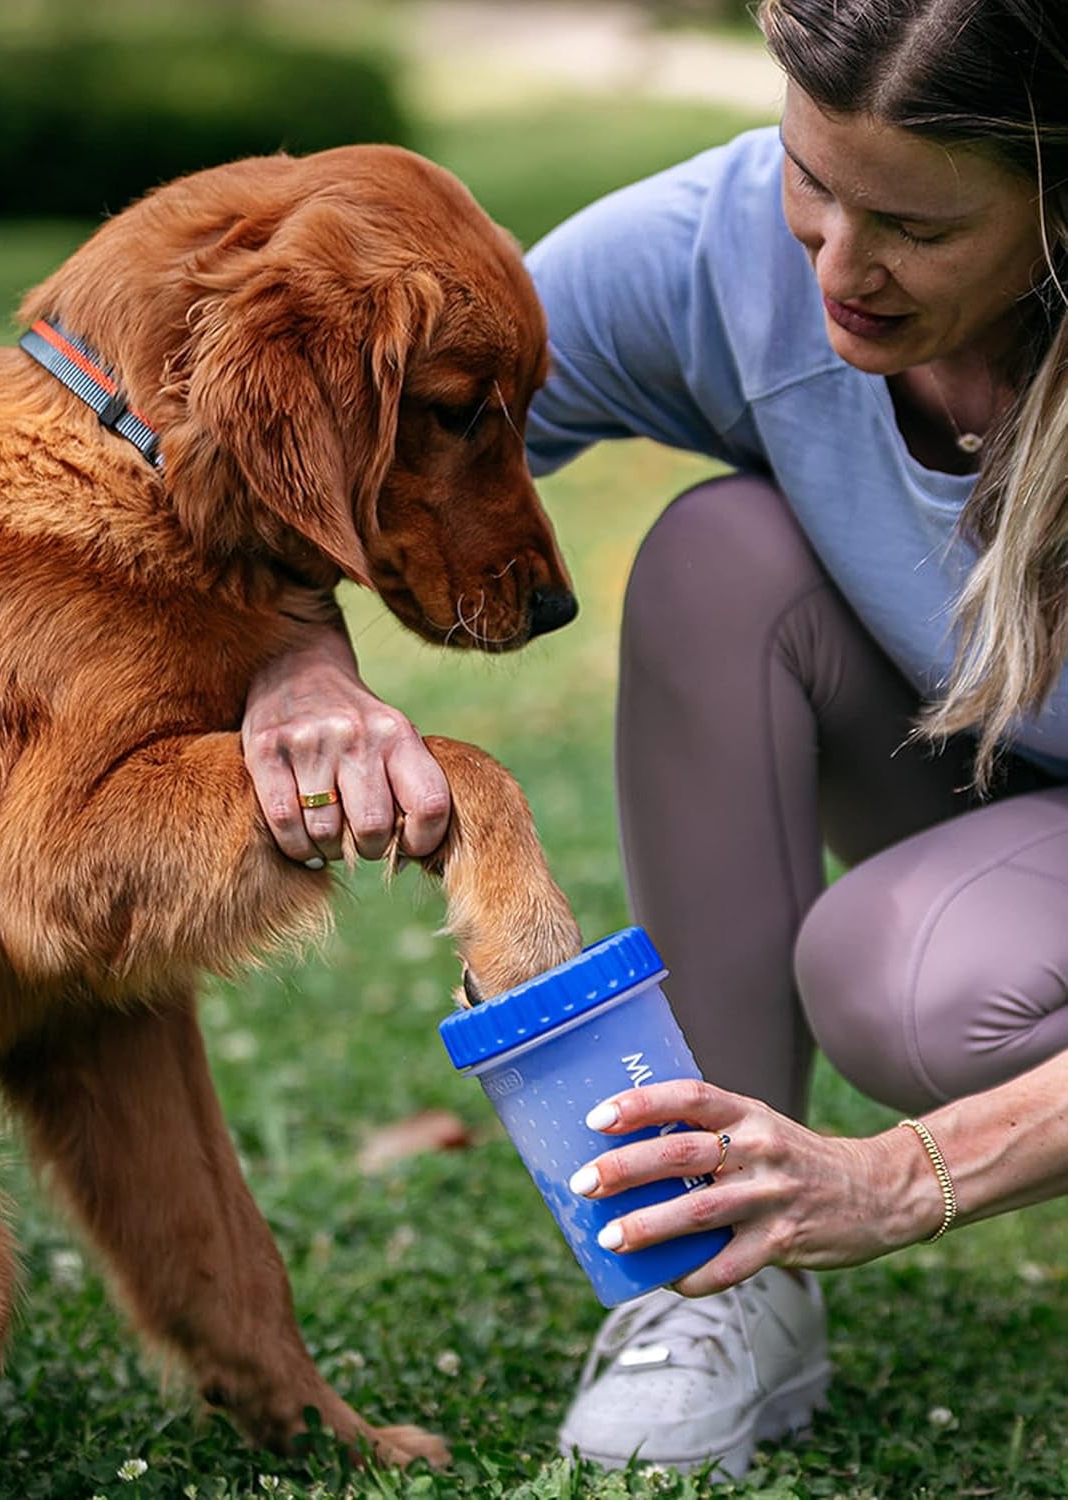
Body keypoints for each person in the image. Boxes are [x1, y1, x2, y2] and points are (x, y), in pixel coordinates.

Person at [240, 0, 1068, 1479]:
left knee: (920, 985)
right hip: (991, 781)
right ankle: (725, 1278)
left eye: (913, 226)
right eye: (815, 184)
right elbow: (342, 435)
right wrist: (299, 660)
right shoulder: (718, 247)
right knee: (716, 555)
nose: (836, 266)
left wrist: (895, 1178)